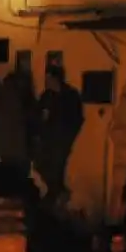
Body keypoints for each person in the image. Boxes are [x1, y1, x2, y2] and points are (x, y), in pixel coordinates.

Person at [33, 62, 85, 208]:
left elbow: (77, 118)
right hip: (47, 141)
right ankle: (57, 194)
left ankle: (55, 198)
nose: (47, 82)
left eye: (49, 78)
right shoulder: (46, 96)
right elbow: (38, 115)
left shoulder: (70, 96)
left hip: (61, 141)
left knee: (57, 169)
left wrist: (68, 137)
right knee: (41, 166)